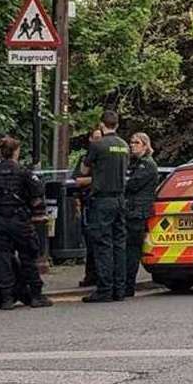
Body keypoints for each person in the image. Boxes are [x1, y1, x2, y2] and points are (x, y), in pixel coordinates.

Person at [0, 137, 53, 309]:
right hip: (19, 219)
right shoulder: (23, 172)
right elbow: (38, 194)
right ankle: (36, 295)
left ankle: (7, 297)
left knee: (2, 257)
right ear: (16, 151)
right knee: (28, 256)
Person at [81, 111, 129, 303]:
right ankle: (119, 288)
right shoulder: (124, 146)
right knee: (119, 244)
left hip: (102, 200)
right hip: (120, 199)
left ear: (102, 124)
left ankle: (105, 289)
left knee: (103, 245)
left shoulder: (97, 145)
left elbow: (84, 169)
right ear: (116, 124)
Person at [125, 133, 158, 297]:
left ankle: (128, 285)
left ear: (145, 145)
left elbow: (132, 184)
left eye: (136, 143)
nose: (132, 145)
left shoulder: (147, 165)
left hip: (138, 212)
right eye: (131, 142)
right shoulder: (136, 163)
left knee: (132, 249)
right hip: (132, 210)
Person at [73, 128, 103, 287]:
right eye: (95, 138)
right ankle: (90, 275)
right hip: (87, 202)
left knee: (100, 240)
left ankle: (99, 275)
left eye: (101, 138)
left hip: (101, 202)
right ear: (90, 140)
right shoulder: (85, 158)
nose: (98, 141)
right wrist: (97, 179)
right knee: (90, 241)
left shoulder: (106, 158)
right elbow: (78, 180)